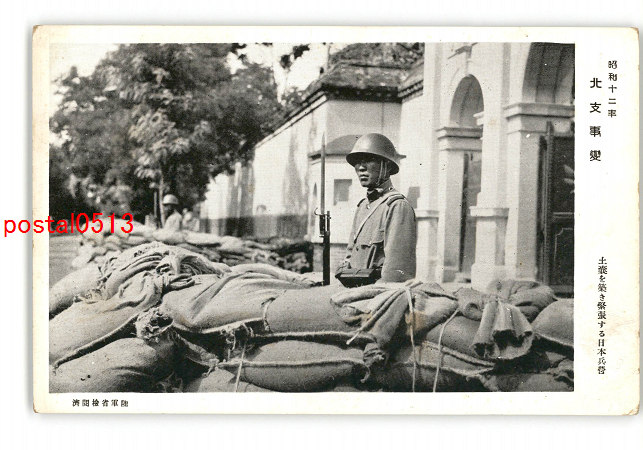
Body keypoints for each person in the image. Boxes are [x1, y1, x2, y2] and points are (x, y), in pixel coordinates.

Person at [335, 133, 417, 285]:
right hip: (355, 290)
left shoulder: (396, 206)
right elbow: (350, 256)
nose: (361, 167)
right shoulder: (363, 207)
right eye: (357, 162)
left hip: (377, 294)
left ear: (387, 166)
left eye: (369, 160)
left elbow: (396, 272)